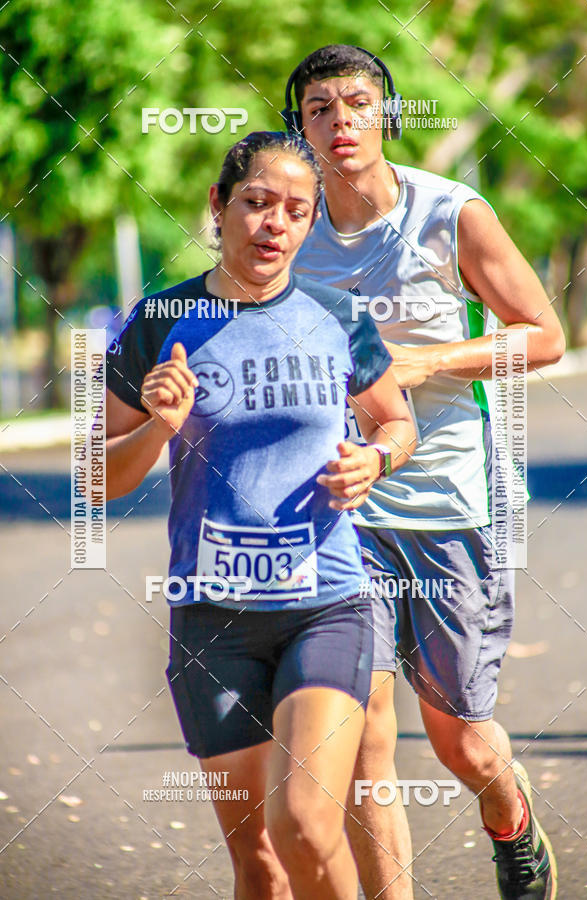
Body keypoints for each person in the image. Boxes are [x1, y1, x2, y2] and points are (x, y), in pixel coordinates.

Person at [104, 130, 416, 899]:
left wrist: (374, 458)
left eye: (295, 210)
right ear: (219, 205)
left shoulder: (338, 316)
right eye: (256, 202)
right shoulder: (160, 319)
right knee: (260, 868)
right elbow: (96, 476)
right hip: (212, 617)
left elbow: (396, 423)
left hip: (327, 605)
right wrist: (159, 428)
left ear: (311, 225)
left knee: (305, 822)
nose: (274, 222)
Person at [286, 45, 565, 899]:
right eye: (320, 108)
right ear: (300, 126)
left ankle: (510, 817)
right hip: (346, 506)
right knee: (366, 729)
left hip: (448, 500)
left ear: (388, 113)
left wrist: (418, 365)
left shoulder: (452, 214)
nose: (341, 122)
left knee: (460, 742)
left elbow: (544, 335)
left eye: (357, 103)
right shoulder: (290, 225)